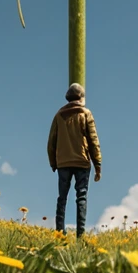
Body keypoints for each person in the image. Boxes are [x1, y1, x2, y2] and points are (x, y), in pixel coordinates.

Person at [47, 82, 102, 238]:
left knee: (62, 198)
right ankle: (81, 235)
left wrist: (53, 162)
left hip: (63, 163)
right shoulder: (86, 114)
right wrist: (98, 164)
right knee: (82, 197)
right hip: (82, 161)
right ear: (81, 98)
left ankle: (60, 234)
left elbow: (51, 141)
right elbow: (93, 141)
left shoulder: (58, 115)